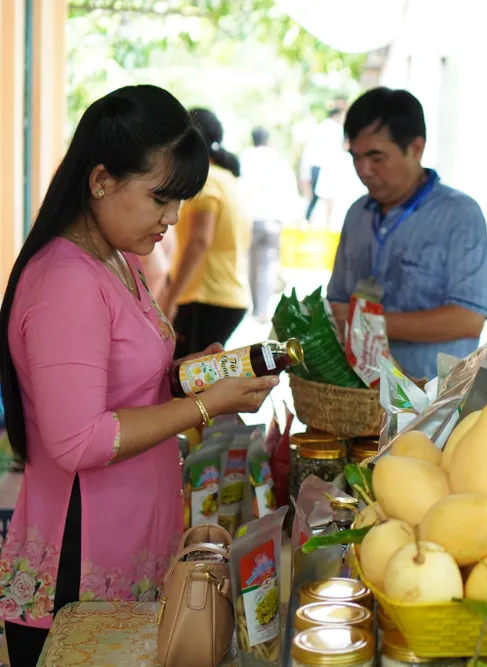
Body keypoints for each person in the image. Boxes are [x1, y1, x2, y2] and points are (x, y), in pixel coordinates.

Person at [0, 85, 278, 667]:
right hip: (80, 558)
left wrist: (190, 378)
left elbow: (123, 380)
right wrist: (205, 405)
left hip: (126, 542)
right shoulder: (66, 281)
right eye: (161, 198)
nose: (172, 218)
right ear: (101, 180)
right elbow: (79, 439)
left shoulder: (116, 259)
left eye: (179, 201)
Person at [326, 87, 487, 381]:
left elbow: (467, 319)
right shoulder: (357, 214)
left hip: (433, 395)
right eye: (356, 157)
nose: (364, 170)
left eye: (376, 157)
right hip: (357, 395)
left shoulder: (459, 215)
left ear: (416, 148)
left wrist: (370, 325)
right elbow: (337, 300)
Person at [162, 108, 253, 358]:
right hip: (230, 296)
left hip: (206, 297)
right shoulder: (229, 179)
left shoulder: (205, 180)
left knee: (187, 374)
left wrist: (170, 300)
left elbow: (200, 240)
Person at [240, 126, 300, 320]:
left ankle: (255, 306)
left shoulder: (245, 158)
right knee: (267, 265)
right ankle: (263, 310)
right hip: (273, 221)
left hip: (250, 220)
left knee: (252, 265)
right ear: (268, 140)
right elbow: (290, 190)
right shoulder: (278, 160)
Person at [301, 102, 347, 223]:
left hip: (316, 166)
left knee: (315, 198)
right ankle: (326, 222)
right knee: (328, 196)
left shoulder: (319, 128)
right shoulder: (337, 130)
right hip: (327, 167)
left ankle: (308, 220)